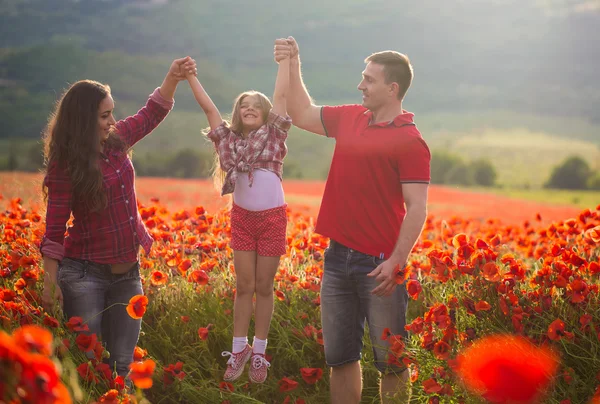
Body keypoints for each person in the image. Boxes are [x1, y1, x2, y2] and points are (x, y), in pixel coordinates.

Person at [275, 37, 430, 403]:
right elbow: (301, 113)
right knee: (340, 359)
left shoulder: (411, 141)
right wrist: (294, 62)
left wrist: (396, 261)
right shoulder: (350, 117)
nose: (360, 85)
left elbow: (417, 207)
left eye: (369, 80)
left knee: (391, 362)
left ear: (392, 89)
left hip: (380, 266)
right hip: (336, 258)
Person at [40, 56, 198, 378]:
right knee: (90, 368)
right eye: (105, 115)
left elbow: (151, 113)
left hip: (128, 273)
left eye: (112, 113)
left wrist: (172, 77)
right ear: (84, 120)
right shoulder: (64, 166)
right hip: (85, 276)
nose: (113, 121)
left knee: (122, 366)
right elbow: (54, 232)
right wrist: (49, 283)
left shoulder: (116, 142)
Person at [185, 47, 292, 383]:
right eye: (244, 106)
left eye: (256, 106)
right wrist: (190, 76)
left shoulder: (274, 135)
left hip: (273, 218)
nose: (249, 109)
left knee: (264, 285)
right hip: (243, 219)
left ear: (265, 114)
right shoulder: (227, 142)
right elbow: (208, 108)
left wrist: (285, 62)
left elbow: (281, 94)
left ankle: (259, 351)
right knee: (244, 285)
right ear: (237, 113)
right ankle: (239, 348)